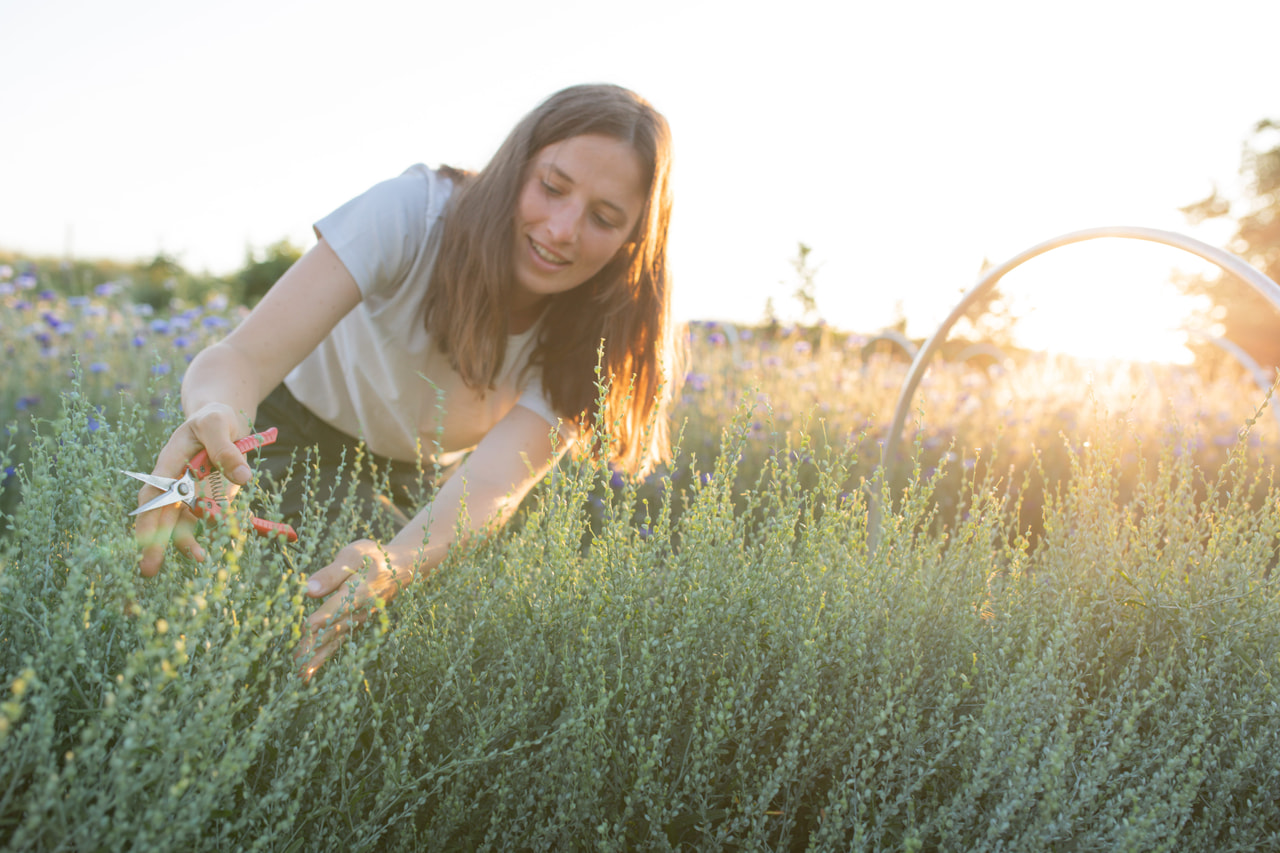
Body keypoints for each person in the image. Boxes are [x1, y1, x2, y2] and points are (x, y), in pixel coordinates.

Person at [133, 83, 679, 678]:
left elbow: (492, 488)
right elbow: (241, 359)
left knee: (421, 639)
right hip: (281, 434)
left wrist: (396, 562)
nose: (563, 229)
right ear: (515, 166)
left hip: (427, 480)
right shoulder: (413, 212)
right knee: (273, 614)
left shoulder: (604, 332)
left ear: (634, 241)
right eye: (551, 187)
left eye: (604, 218)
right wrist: (217, 418)